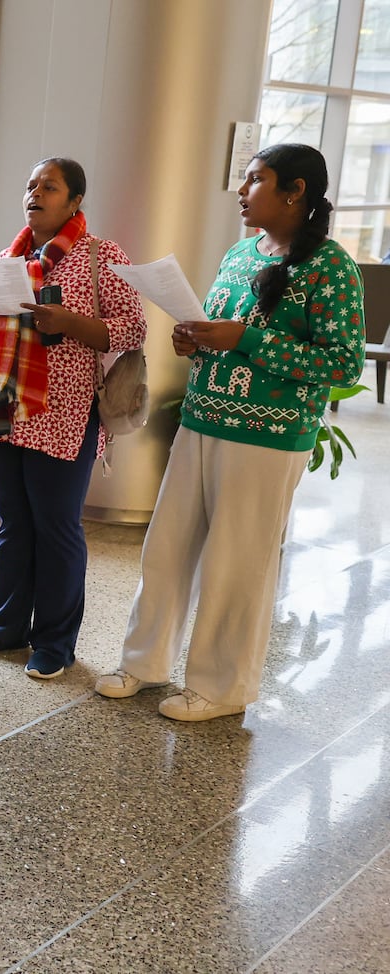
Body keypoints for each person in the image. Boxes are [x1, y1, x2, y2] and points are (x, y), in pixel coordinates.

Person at [95, 144, 366, 720]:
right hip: (204, 418)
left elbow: (341, 363)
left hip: (268, 437)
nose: (242, 191)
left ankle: (221, 686)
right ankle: (145, 663)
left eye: (256, 180)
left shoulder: (331, 268)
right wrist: (194, 341)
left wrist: (243, 340)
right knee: (166, 549)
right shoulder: (241, 254)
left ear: (294, 191)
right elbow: (218, 329)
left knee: (236, 562)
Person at [0, 157, 146, 678]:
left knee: (56, 527)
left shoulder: (100, 255)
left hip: (65, 413)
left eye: (50, 186)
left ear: (76, 201)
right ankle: (4, 626)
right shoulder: (9, 256)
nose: (35, 193)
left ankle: (55, 641)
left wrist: (73, 323)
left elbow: (133, 328)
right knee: (14, 523)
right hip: (5, 408)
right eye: (31, 185)